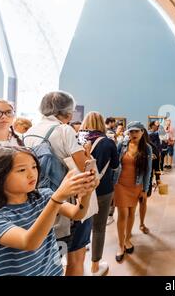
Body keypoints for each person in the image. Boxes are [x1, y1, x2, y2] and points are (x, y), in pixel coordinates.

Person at [0, 147, 97, 276]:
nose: (32, 174)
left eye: (34, 167)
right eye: (22, 170)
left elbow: (77, 214)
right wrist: (57, 198)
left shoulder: (42, 196)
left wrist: (87, 193)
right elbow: (29, 242)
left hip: (52, 271)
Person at [24, 91, 94, 276]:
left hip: (37, 200)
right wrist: (87, 152)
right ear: (69, 112)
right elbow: (84, 166)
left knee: (51, 258)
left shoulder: (29, 131)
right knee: (76, 257)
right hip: (67, 204)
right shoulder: (64, 130)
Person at [80, 112, 119, 276]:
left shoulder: (78, 140)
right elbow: (115, 166)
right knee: (99, 227)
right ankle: (95, 266)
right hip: (103, 188)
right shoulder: (109, 142)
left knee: (81, 225)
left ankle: (78, 261)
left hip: (81, 187)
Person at [112, 121, 152, 262]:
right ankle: (120, 245)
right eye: (131, 132)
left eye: (136, 131)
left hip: (136, 186)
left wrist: (145, 190)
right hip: (120, 185)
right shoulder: (121, 145)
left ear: (142, 132)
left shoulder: (147, 149)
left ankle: (127, 239)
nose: (133, 134)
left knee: (131, 213)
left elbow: (148, 170)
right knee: (122, 213)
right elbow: (114, 165)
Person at [148, 121, 162, 185]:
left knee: (156, 167)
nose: (158, 127)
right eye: (157, 126)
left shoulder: (156, 133)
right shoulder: (150, 133)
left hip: (156, 152)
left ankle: (156, 179)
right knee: (150, 169)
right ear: (153, 126)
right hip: (151, 153)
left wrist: (159, 152)